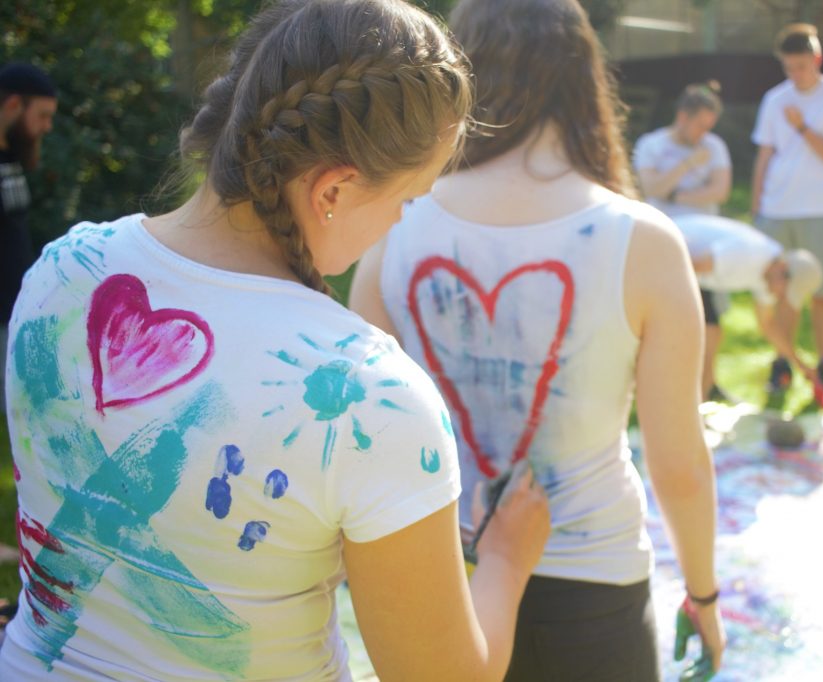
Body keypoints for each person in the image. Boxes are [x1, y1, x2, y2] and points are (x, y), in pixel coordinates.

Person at [0, 1, 550, 680]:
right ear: (336, 188)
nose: (401, 224)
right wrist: (505, 561)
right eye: (408, 200)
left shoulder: (63, 270)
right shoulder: (365, 392)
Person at [350, 0, 725, 679]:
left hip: (443, 585)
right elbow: (679, 465)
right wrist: (704, 595)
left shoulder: (391, 233)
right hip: (597, 586)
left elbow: (364, 445)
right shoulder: (642, 241)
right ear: (584, 76)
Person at [751, 23, 823, 395]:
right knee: (783, 290)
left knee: (820, 292)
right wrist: (757, 208)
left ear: (817, 59)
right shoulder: (774, 99)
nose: (795, 75)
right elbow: (764, 155)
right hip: (777, 210)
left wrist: (802, 128)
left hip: (821, 210)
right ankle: (783, 362)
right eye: (788, 67)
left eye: (801, 66)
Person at [634, 82, 735, 402]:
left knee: (709, 316)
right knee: (661, 315)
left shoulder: (715, 146)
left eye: (710, 127)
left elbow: (720, 191)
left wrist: (675, 192)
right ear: (682, 116)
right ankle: (657, 385)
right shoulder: (651, 144)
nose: (704, 133)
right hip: (663, 242)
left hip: (704, 243)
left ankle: (707, 382)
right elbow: (652, 187)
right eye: (700, 125)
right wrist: (689, 166)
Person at [678, 214, 823, 398]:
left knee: (711, 333)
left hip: (693, 277)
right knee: (709, 334)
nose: (780, 297)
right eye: (785, 291)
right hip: (669, 260)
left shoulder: (769, 274)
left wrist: (801, 365)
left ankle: (697, 401)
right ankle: (688, 401)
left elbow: (767, 324)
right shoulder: (749, 254)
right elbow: (691, 264)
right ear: (783, 268)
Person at [0, 62, 57, 412]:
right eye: (43, 115)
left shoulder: (11, 157)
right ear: (13, 105)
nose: (46, 127)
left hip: (13, 309)